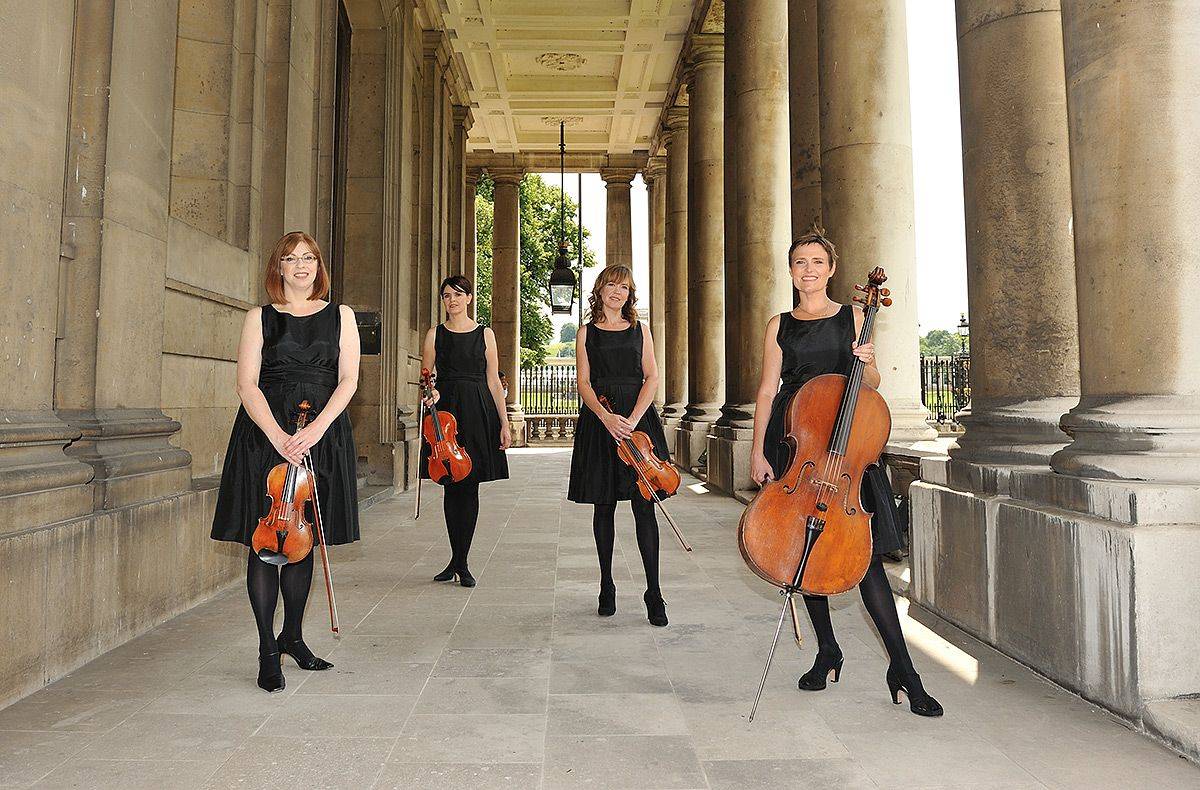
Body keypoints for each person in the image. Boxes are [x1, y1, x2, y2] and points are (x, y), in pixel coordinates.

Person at [748, 229, 943, 717]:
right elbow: (769, 392)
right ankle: (828, 650)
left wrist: (869, 361)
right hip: (798, 445)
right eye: (799, 262)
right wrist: (757, 450)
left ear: (831, 269)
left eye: (817, 261)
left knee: (865, 562)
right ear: (790, 270)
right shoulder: (779, 325)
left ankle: (903, 668)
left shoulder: (854, 315)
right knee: (803, 554)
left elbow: (871, 386)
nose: (808, 270)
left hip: (847, 450)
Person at [211, 231, 361, 693]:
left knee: (302, 539)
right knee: (265, 541)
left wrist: (314, 431)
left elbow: (349, 380)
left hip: (323, 433)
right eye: (292, 259)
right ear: (278, 267)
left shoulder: (342, 316)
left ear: (319, 266)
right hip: (264, 435)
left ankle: (292, 635)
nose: (301, 266)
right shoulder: (260, 318)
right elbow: (246, 384)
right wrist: (278, 436)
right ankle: (266, 648)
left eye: (309, 258)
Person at [567, 265, 672, 627]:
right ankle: (606, 584)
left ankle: (654, 593)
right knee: (604, 507)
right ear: (600, 288)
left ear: (630, 294)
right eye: (612, 285)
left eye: (624, 287)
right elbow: (583, 382)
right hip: (601, 423)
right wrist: (607, 418)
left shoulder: (641, 330)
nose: (617, 292)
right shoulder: (586, 334)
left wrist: (634, 417)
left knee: (646, 509)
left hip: (638, 421)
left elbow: (652, 376)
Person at [421, 275, 511, 587]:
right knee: (450, 484)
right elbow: (428, 377)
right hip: (446, 413)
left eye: (458, 294)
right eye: (447, 296)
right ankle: (456, 559)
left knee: (469, 485)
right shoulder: (435, 334)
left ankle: (462, 561)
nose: (452, 300)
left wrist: (504, 422)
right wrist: (428, 394)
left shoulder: (486, 334)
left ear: (469, 298)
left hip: (477, 412)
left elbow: (494, 381)